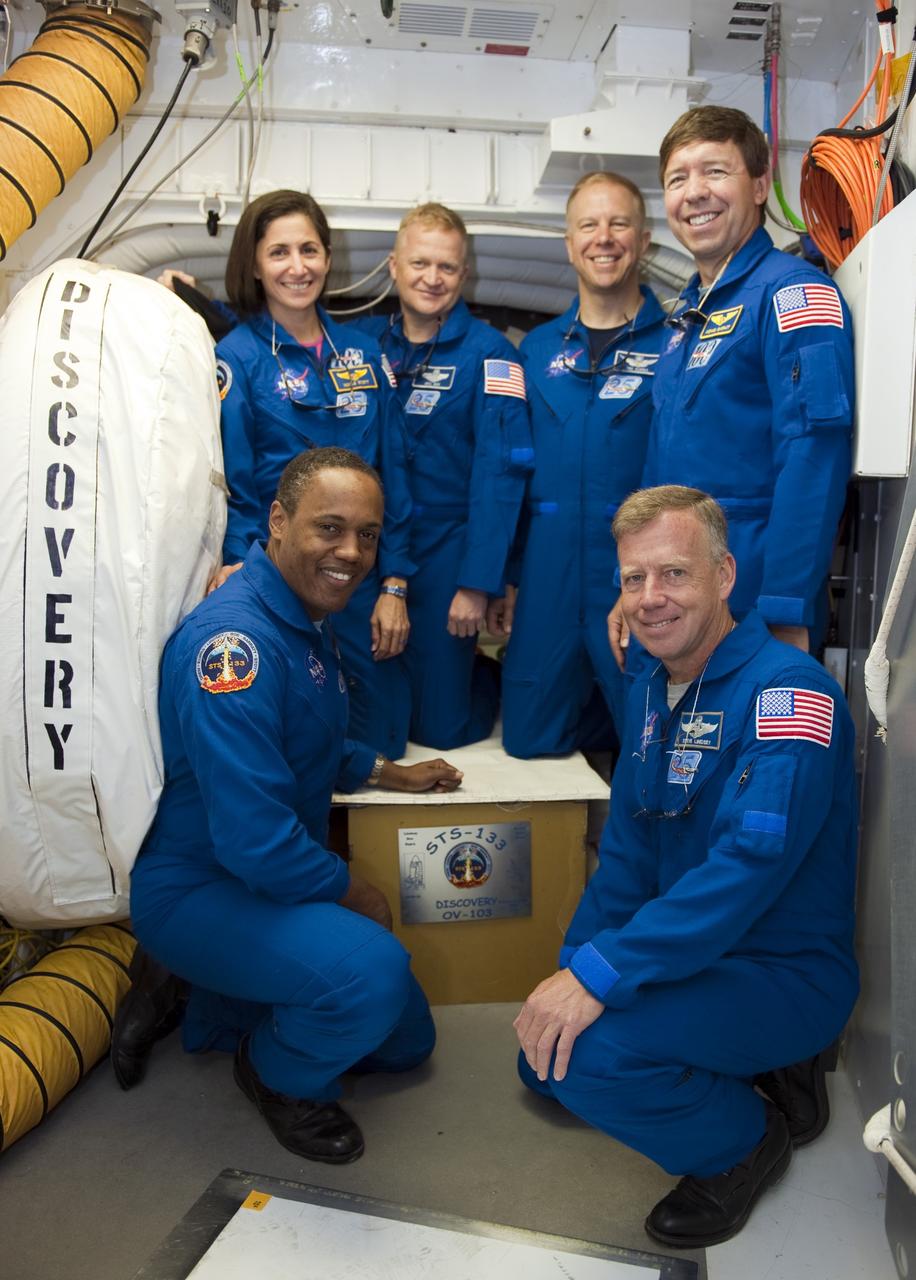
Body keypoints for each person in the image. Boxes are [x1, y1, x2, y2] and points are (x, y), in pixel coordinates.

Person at [515, 485, 858, 1248]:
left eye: (673, 573)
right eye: (634, 578)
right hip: (692, 955)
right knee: (542, 1059)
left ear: (724, 575)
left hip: (781, 970)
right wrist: (574, 972)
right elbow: (629, 856)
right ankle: (732, 1064)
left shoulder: (789, 694)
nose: (650, 598)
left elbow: (747, 866)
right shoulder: (652, 688)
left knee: (586, 1058)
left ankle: (744, 1142)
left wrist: (602, 979)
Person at [128, 447, 463, 1162]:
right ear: (278, 521)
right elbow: (255, 840)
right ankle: (272, 1073)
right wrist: (357, 894)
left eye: (367, 535)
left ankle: (216, 1001)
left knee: (406, 1042)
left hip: (267, 881)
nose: (352, 553)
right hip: (206, 885)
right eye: (329, 528)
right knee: (371, 975)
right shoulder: (235, 647)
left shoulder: (301, 616)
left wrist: (388, 772)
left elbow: (306, 737)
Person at [609, 106, 854, 671]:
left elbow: (814, 453)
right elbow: (658, 477)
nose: (695, 192)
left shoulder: (793, 295)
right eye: (677, 178)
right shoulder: (685, 318)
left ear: (761, 185)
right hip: (669, 602)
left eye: (715, 171)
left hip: (749, 599)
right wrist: (634, 585)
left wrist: (786, 606)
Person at [213, 189, 415, 759]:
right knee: (290, 733)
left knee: (384, 739)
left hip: (358, 573)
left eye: (308, 250)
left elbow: (395, 476)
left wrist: (395, 584)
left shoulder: (363, 353)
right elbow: (233, 484)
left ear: (328, 257)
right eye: (279, 252)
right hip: (280, 574)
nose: (297, 267)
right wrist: (242, 571)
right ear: (254, 265)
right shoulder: (238, 357)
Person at [489, 172, 668, 758]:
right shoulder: (536, 350)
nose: (604, 237)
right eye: (589, 225)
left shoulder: (674, 344)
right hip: (548, 573)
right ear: (569, 245)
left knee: (651, 741)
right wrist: (509, 576)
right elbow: (511, 472)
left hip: (637, 568)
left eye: (619, 223)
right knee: (527, 742)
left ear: (644, 240)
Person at [356, 203, 533, 749]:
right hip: (371, 546)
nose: (432, 278)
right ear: (394, 265)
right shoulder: (363, 345)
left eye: (447, 267)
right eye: (420, 263)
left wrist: (479, 584)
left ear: (464, 273)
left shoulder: (492, 355)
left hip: (449, 549)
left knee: (439, 730)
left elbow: (501, 474)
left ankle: (486, 676)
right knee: (376, 716)